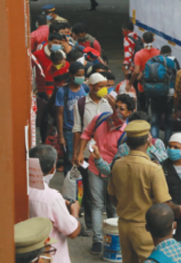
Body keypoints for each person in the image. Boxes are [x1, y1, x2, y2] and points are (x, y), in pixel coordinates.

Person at [107, 120, 179, 263]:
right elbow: (163, 205)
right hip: (146, 227)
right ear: (148, 140)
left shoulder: (118, 165)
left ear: (127, 143)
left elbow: (112, 196)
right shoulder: (153, 169)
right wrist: (178, 210)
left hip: (124, 224)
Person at [78, 94, 135, 254]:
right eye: (116, 106)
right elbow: (85, 133)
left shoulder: (127, 133)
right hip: (94, 169)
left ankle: (115, 240)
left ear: (129, 113)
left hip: (114, 173)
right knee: (96, 205)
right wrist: (79, 152)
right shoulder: (100, 119)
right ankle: (97, 240)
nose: (117, 111)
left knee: (113, 207)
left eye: (121, 109)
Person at [71, 72, 112, 237]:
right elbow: (77, 130)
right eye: (100, 86)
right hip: (88, 155)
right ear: (92, 87)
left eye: (106, 86)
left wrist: (115, 106)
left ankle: (111, 225)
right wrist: (77, 153)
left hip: (107, 154)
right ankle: (90, 225)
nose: (104, 89)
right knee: (89, 191)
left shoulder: (109, 102)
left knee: (110, 193)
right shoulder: (81, 104)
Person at [28, 145, 81, 263]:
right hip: (51, 257)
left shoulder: (23, 190)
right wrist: (75, 211)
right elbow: (72, 232)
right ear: (53, 169)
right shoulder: (52, 197)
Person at [92, 111, 168, 176]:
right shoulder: (124, 148)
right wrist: (98, 158)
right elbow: (110, 171)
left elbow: (166, 163)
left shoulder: (157, 143)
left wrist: (151, 146)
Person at [55, 62, 87, 175]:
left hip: (83, 130)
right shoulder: (62, 91)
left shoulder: (85, 89)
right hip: (69, 130)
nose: (81, 78)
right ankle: (69, 185)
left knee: (82, 158)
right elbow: (59, 115)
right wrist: (60, 136)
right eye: (78, 75)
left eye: (82, 75)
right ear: (71, 75)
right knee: (70, 160)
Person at [148, 47, 177, 142]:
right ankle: (168, 141)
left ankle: (154, 142)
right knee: (169, 119)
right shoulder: (172, 61)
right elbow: (177, 76)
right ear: (170, 52)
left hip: (154, 93)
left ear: (160, 53)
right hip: (169, 93)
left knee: (155, 119)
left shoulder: (152, 61)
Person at [129, 31, 160, 111]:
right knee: (155, 109)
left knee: (142, 107)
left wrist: (130, 84)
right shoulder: (158, 52)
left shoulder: (139, 54)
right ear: (153, 40)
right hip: (156, 86)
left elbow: (136, 72)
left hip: (143, 86)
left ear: (142, 40)